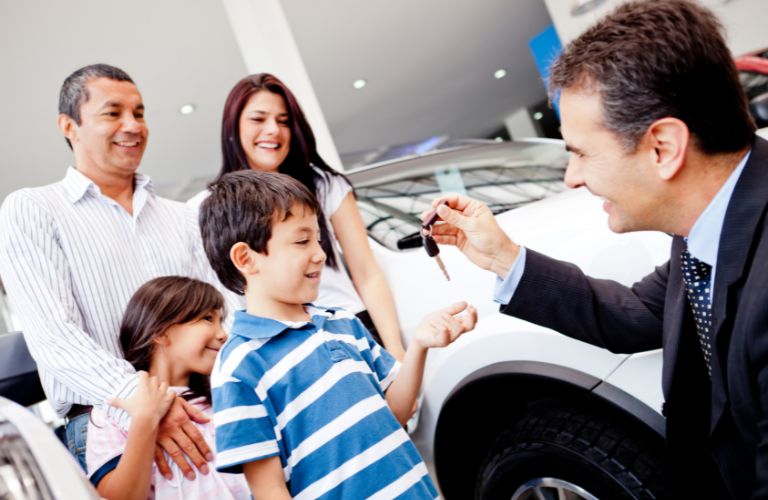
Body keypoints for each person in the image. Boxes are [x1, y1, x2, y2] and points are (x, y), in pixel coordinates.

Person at [426, 1, 767, 497]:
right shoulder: (711, 222)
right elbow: (636, 313)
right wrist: (501, 255)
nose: (572, 178)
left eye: (581, 153)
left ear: (663, 148)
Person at [0, 64, 222, 478]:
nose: (132, 125)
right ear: (70, 126)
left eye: (139, 113)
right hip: (105, 423)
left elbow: (217, 317)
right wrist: (144, 405)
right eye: (112, 112)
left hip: (205, 410)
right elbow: (53, 335)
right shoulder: (33, 209)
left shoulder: (182, 217)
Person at [198, 170, 477, 498]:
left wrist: (418, 345)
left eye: (319, 239)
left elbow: (395, 414)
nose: (319, 253)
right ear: (246, 258)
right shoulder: (239, 367)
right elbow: (269, 490)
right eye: (302, 241)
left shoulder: (343, 323)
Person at [187, 73, 406, 360]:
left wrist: (395, 350)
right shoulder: (208, 207)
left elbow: (367, 273)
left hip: (349, 327)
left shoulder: (324, 185)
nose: (273, 130)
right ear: (232, 127)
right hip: (277, 347)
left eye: (283, 121)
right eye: (258, 119)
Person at [86, 276, 250, 499]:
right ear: (160, 332)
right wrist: (146, 420)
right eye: (207, 319)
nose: (223, 334)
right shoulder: (110, 415)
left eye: (221, 321)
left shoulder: (228, 394)